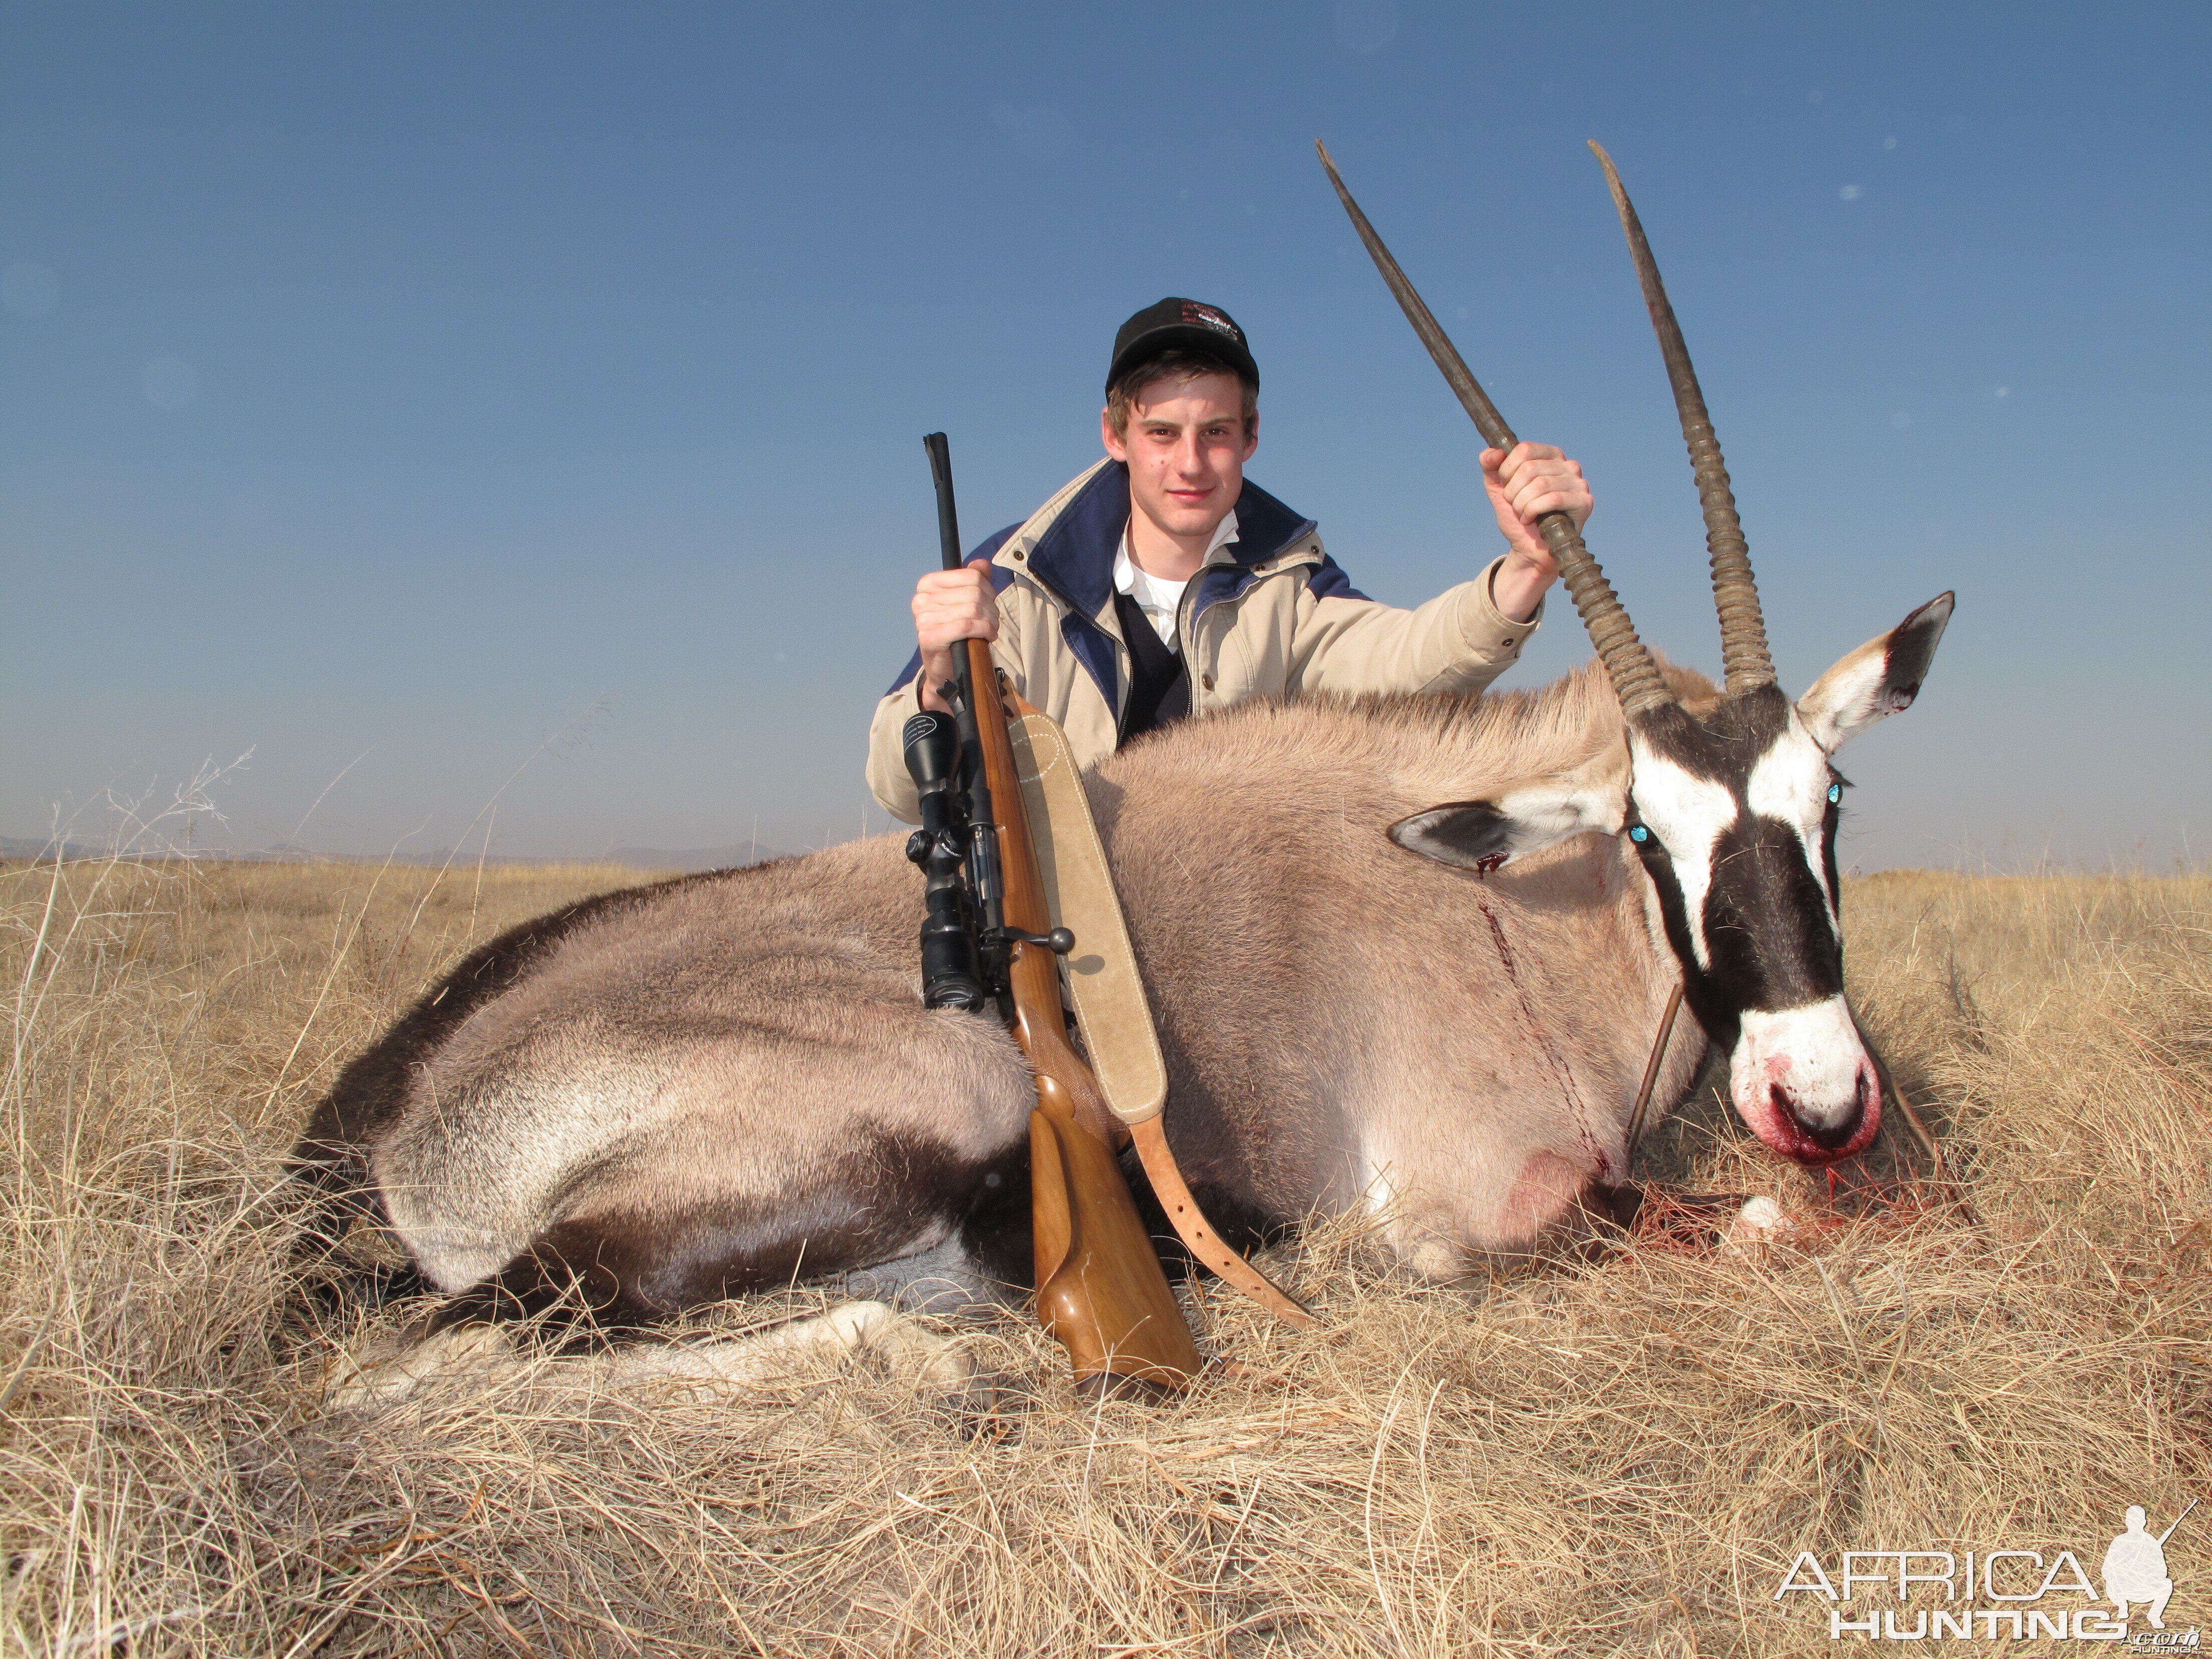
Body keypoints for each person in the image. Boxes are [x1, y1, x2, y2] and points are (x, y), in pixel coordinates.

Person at [865, 297, 1593, 822]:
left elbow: (1409, 660)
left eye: (1216, 432)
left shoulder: (1290, 581)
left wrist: (1527, 567)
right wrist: (938, 684)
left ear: (1251, 438)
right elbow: (899, 791)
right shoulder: (1013, 577)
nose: (1190, 464)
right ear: (1114, 436)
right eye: (1161, 432)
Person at [2103, 1506, 2175, 1628]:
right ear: (2126, 1522)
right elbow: (2107, 1569)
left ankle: (2154, 1616)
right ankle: (2122, 1606)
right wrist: (2122, 1573)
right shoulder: (2119, 1541)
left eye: (2138, 1520)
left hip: (2145, 1588)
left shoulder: (2150, 1541)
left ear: (2144, 1522)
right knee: (2111, 1582)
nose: (2134, 1524)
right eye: (2131, 1520)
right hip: (2123, 1589)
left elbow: (2162, 1570)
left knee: (2167, 1584)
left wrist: (2147, 1574)